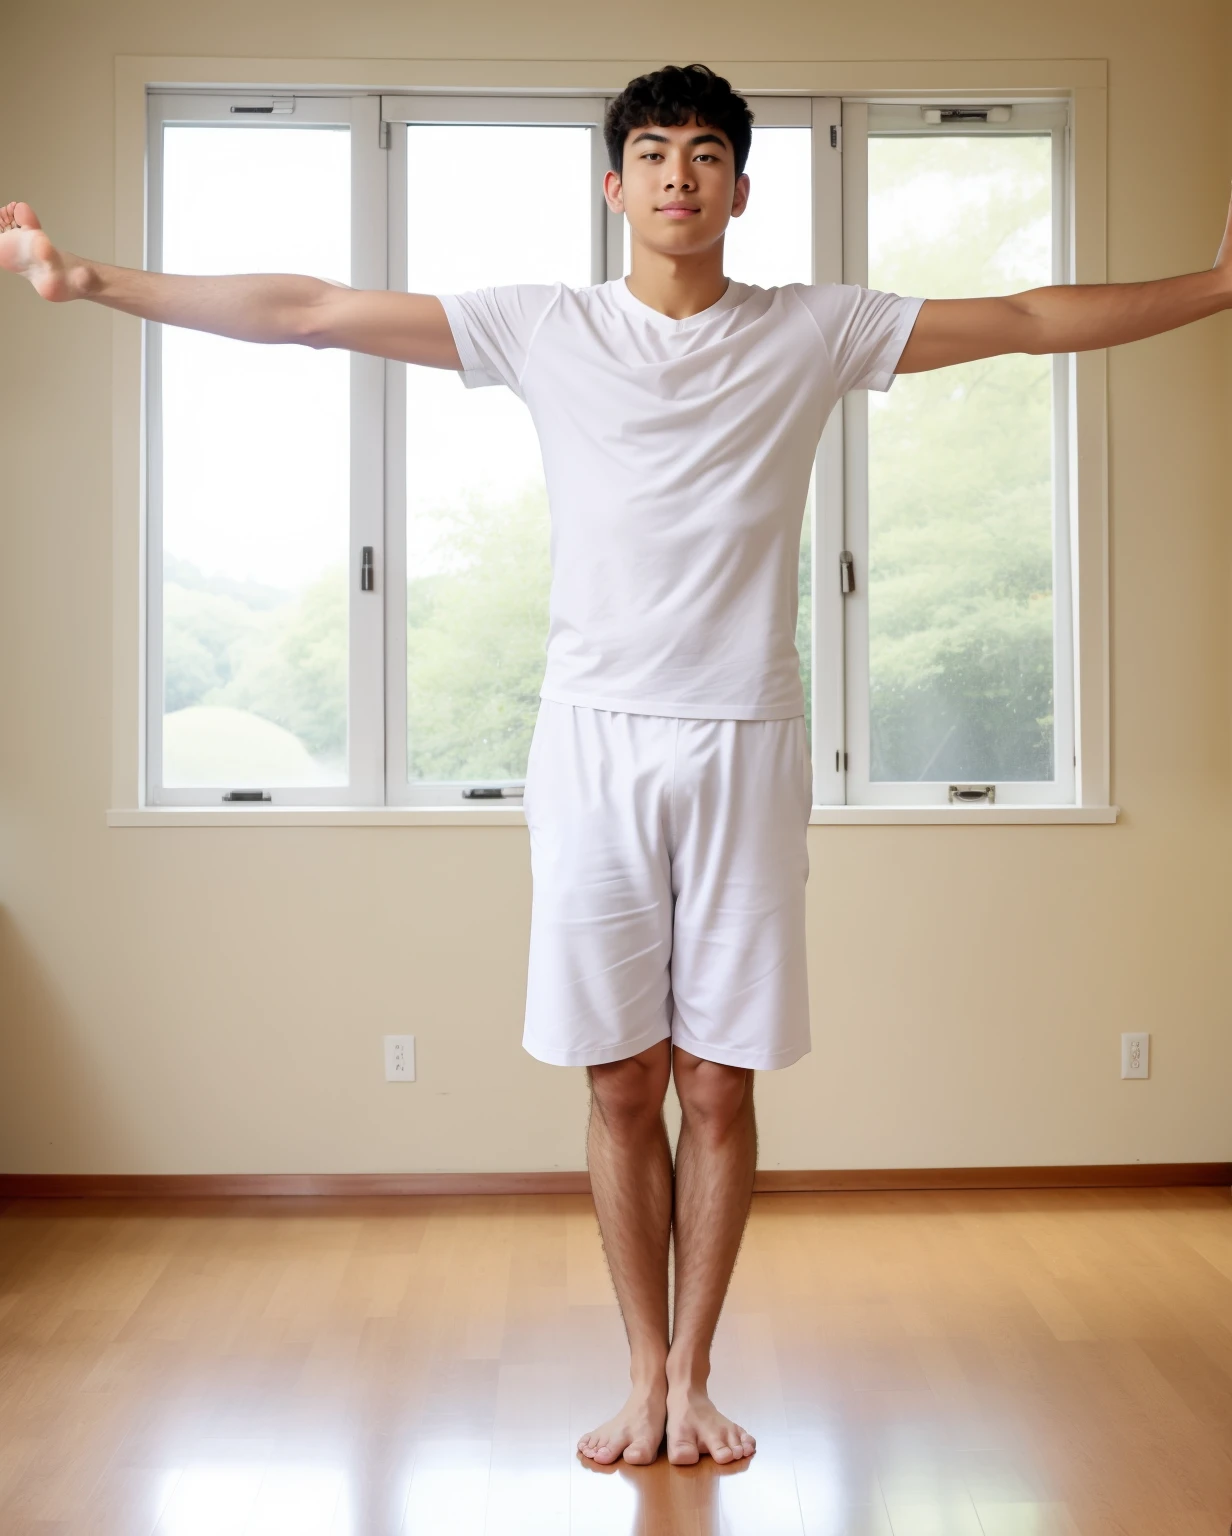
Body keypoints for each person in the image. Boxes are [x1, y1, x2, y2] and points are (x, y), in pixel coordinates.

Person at [4, 60, 1229, 1471]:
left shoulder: (814, 332)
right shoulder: (545, 327)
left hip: (747, 738)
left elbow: (1022, 319)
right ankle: (640, 1373)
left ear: (740, 189)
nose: (678, 176)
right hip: (592, 738)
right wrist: (89, 278)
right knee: (618, 1078)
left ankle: (699, 1374)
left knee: (718, 1081)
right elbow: (310, 311)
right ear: (614, 185)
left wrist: (1213, 287)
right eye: (653, 152)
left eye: (706, 153)